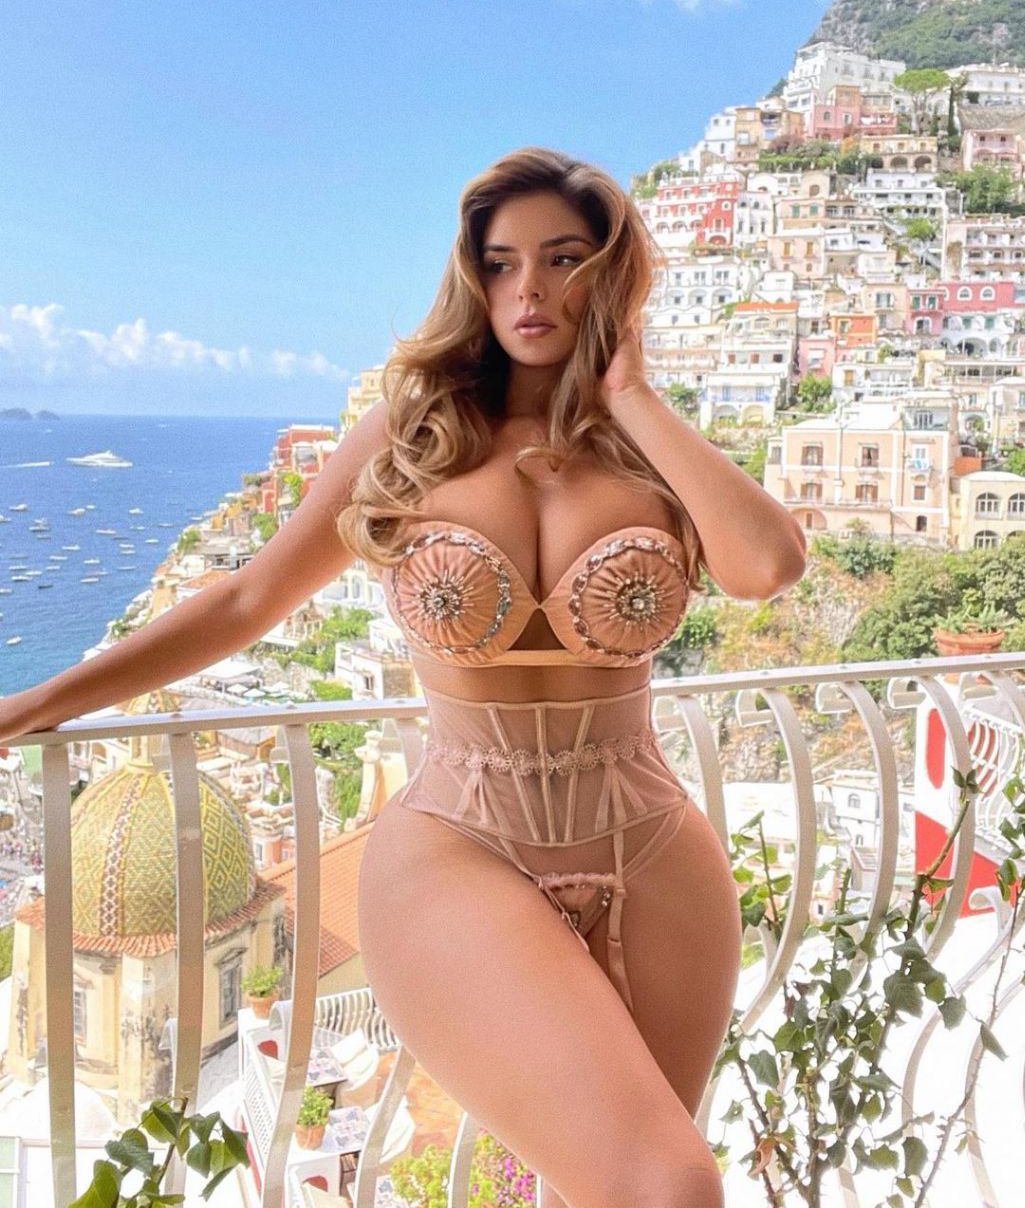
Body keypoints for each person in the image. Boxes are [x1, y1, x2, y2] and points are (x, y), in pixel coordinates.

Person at [0, 146, 806, 1206]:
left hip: (655, 848)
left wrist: (635, 395)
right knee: (670, 1182)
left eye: (563, 258)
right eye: (501, 262)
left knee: (610, 1178)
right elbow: (248, 599)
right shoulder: (415, 434)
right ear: (473, 277)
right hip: (461, 846)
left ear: (609, 273)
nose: (528, 289)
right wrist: (35, 701)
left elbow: (765, 566)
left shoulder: (649, 449)